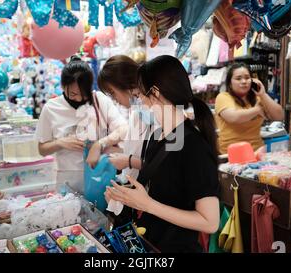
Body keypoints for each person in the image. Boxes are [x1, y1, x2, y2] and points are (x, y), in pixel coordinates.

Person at [105, 55, 220, 253]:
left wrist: (147, 204)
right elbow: (158, 190)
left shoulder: (194, 147)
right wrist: (125, 198)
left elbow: (210, 222)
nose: (138, 100)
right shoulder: (156, 136)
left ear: (155, 93)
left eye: (140, 94)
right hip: (148, 243)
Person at [36, 56, 127, 193]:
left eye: (84, 94)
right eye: (73, 94)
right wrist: (60, 143)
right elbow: (42, 149)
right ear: (62, 86)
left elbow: (124, 129)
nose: (79, 98)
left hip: (100, 178)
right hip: (68, 183)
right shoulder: (51, 108)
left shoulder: (100, 101)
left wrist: (99, 144)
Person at [97, 55, 152, 183]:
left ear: (125, 83)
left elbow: (165, 164)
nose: (113, 99)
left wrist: (128, 161)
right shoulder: (137, 110)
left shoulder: (153, 110)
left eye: (112, 92)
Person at [215, 63, 284, 154]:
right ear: (230, 83)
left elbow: (279, 116)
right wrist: (257, 110)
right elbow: (234, 117)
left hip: (256, 152)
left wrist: (263, 94)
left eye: (247, 78)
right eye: (238, 78)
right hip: (230, 154)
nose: (244, 81)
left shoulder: (258, 98)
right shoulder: (223, 97)